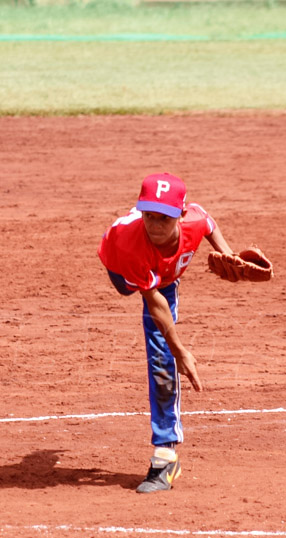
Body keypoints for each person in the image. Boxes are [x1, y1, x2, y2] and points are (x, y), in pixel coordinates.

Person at [98, 172, 235, 493]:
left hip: (160, 276)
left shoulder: (193, 220)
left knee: (159, 357)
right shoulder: (129, 244)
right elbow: (153, 300)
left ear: (181, 214)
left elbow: (209, 222)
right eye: (149, 216)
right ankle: (155, 276)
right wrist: (181, 351)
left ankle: (165, 455)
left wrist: (229, 253)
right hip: (121, 265)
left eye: (165, 218)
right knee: (134, 293)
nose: (156, 225)